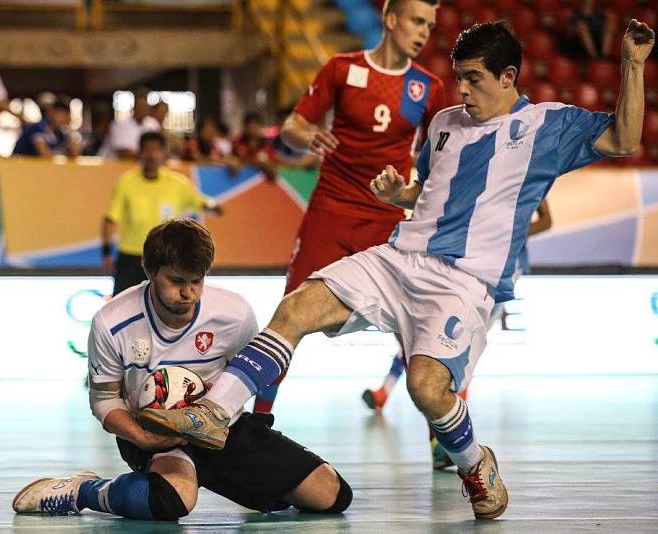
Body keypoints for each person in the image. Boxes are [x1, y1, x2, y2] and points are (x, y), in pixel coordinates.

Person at [137, 19, 654, 520]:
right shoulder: (446, 124)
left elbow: (624, 140)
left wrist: (631, 65)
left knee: (426, 389)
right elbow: (432, 191)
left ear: (508, 77)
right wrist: (400, 194)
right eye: (459, 78)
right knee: (296, 306)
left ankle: (475, 465)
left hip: (463, 282)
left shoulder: (548, 125)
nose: (463, 90)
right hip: (399, 259)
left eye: (474, 79)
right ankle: (216, 413)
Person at [12, 219, 352, 520]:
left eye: (197, 280)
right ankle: (84, 491)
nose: (188, 293)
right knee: (169, 503)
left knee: (333, 496)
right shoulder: (112, 322)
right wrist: (141, 437)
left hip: (219, 429)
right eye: (176, 281)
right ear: (149, 271)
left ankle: (221, 476)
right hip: (150, 431)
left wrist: (256, 427)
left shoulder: (233, 313)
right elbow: (103, 400)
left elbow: (254, 375)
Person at [253, 0, 445, 415]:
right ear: (391, 20)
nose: (424, 31)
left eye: (429, 25)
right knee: (289, 313)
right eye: (416, 21)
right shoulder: (342, 69)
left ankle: (440, 438)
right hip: (331, 211)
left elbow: (440, 157)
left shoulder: (429, 88)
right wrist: (307, 137)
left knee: (419, 326)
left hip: (386, 220)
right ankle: (257, 421)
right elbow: (293, 125)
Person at [362, 200, 552, 414]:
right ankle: (386, 393)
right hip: (466, 260)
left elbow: (546, 221)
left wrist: (506, 236)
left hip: (504, 268)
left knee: (466, 336)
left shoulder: (530, 172)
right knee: (431, 331)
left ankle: (454, 406)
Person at [102, 131, 222, 296]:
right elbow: (110, 219)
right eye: (147, 150)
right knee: (120, 306)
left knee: (165, 306)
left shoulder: (178, 184)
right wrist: (107, 253)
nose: (151, 155)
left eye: (156, 149)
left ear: (164, 153)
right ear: (139, 152)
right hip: (131, 257)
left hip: (165, 257)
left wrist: (213, 205)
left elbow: (202, 202)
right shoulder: (126, 182)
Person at [12, 99, 80, 157]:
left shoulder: (61, 134)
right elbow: (44, 154)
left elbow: (74, 154)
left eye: (67, 115)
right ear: (50, 112)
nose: (64, 119)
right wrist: (63, 154)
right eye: (61, 114)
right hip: (17, 166)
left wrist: (71, 132)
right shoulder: (37, 128)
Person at [109, 88, 161, 159]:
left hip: (144, 164)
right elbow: (123, 152)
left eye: (145, 106)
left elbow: (158, 148)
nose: (143, 109)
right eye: (140, 106)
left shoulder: (153, 123)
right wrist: (147, 156)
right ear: (133, 108)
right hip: (119, 165)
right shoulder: (119, 124)